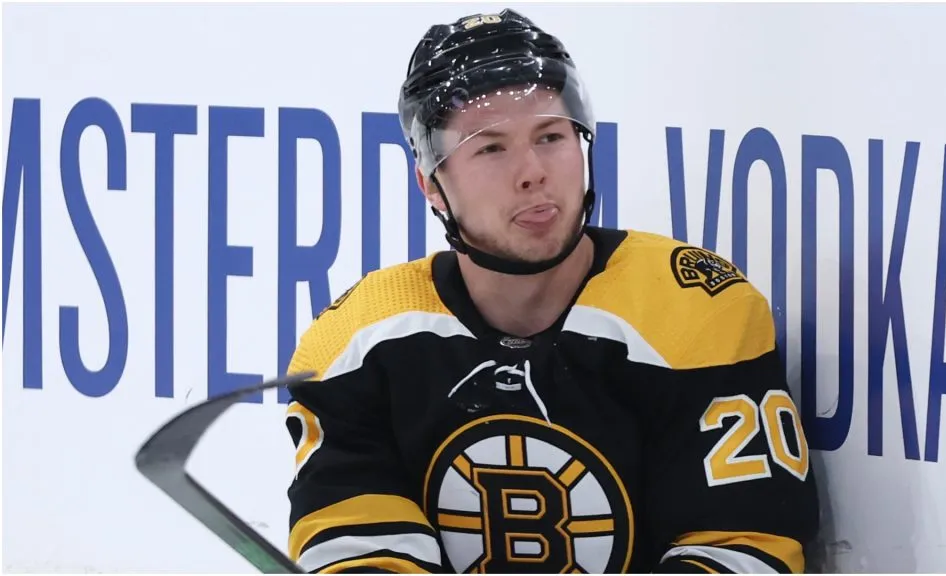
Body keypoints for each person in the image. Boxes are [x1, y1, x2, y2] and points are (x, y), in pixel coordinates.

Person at [283, 8, 820, 574]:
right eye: (490, 148)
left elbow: (744, 545)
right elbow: (361, 547)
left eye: (551, 136)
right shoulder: (359, 343)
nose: (533, 171)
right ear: (431, 185)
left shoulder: (692, 312)